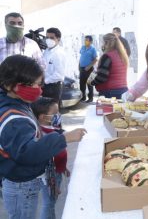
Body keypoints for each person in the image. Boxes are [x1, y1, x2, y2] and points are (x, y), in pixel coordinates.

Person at [0, 55, 86, 219]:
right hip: (21, 184)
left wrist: (57, 130)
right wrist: (63, 139)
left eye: (40, 84)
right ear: (11, 85)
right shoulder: (14, 120)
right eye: (34, 85)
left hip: (21, 181)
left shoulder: (17, 102)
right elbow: (28, 152)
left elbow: (35, 131)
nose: (39, 89)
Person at [31, 97, 70, 219]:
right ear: (42, 117)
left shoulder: (53, 128)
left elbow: (60, 155)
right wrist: (53, 184)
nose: (58, 115)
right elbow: (52, 157)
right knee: (49, 204)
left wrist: (64, 167)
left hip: (56, 172)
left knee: (50, 202)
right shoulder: (44, 134)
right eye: (54, 113)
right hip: (51, 176)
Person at [89, 33, 129, 99]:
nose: (102, 45)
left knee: (106, 109)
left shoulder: (107, 56)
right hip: (123, 91)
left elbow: (102, 77)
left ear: (106, 43)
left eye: (103, 42)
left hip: (109, 92)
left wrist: (92, 82)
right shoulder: (123, 55)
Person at [42, 27, 66, 106]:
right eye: (47, 37)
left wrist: (44, 81)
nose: (48, 40)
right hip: (45, 86)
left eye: (52, 38)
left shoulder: (59, 53)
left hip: (53, 87)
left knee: (51, 112)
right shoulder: (47, 51)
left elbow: (59, 75)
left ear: (58, 39)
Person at [79, 35, 98, 103]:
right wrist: (79, 66)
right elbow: (81, 57)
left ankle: (90, 98)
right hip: (82, 68)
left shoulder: (93, 49)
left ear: (91, 41)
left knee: (89, 84)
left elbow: (95, 59)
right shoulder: (83, 47)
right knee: (82, 83)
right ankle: (83, 97)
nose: (85, 41)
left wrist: (89, 66)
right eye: (85, 40)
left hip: (89, 69)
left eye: (87, 40)